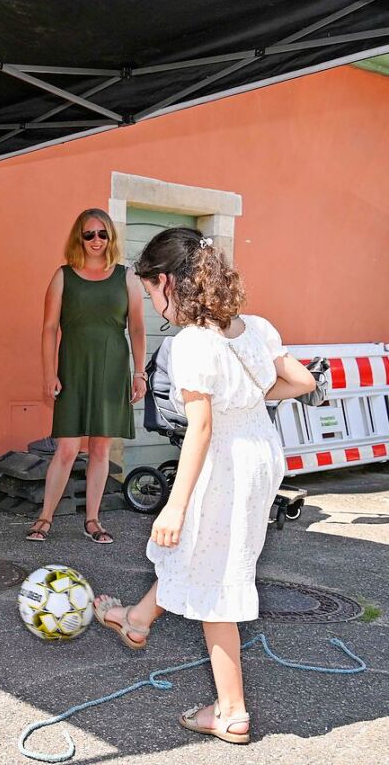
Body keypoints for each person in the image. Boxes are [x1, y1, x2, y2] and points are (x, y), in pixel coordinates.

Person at [92, 228, 316, 744]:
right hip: (261, 454)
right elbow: (301, 382)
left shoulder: (189, 344)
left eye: (150, 290)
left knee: (217, 581)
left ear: (168, 282)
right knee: (204, 551)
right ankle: (138, 619)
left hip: (225, 462)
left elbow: (202, 428)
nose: (151, 301)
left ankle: (232, 710)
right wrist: (252, 399)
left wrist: (172, 506)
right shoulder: (252, 327)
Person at [26, 209, 146, 544]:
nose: (96, 241)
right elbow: (50, 328)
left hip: (112, 368)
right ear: (79, 237)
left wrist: (140, 372)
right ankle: (44, 518)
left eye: (102, 234)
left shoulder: (127, 277)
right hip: (73, 366)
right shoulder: (63, 276)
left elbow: (136, 327)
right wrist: (49, 373)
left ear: (111, 237)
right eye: (89, 234)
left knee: (100, 448)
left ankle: (92, 520)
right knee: (66, 447)